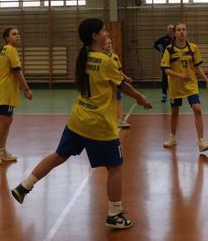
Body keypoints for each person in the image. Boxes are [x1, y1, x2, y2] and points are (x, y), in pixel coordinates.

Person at [11, 18, 152, 230]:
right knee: (115, 167)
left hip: (78, 119)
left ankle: (24, 186)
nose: (106, 33)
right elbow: (123, 86)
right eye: (103, 31)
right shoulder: (106, 61)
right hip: (99, 124)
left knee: (59, 155)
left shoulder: (83, 57)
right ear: (94, 36)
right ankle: (114, 214)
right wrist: (141, 98)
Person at [0, 27, 33, 165]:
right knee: (3, 123)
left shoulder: (5, 49)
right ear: (6, 38)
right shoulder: (11, 49)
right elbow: (17, 71)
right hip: (4, 91)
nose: (17, 36)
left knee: (7, 121)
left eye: (18, 34)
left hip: (2, 90)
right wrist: (26, 89)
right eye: (14, 34)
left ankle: (2, 151)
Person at [161, 23, 208, 152]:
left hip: (191, 84)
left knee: (197, 109)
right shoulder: (169, 49)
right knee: (174, 112)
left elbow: (197, 67)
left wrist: (207, 81)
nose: (181, 32)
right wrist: (180, 76)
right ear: (175, 33)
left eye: (183, 29)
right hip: (175, 86)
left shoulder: (193, 48)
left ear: (186, 32)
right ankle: (172, 137)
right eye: (179, 30)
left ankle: (201, 141)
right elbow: (166, 70)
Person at [104, 37, 133, 128]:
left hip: (116, 83)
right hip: (106, 85)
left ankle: (120, 120)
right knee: (106, 102)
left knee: (118, 101)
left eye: (110, 43)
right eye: (106, 43)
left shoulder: (115, 57)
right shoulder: (101, 57)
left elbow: (119, 71)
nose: (108, 45)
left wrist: (126, 78)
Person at [153, 25, 175, 102]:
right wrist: (160, 49)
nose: (170, 30)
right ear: (167, 30)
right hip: (165, 61)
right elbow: (154, 44)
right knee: (164, 78)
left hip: (174, 61)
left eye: (172, 29)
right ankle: (164, 95)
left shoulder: (175, 39)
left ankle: (174, 95)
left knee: (174, 78)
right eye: (169, 29)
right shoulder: (163, 38)